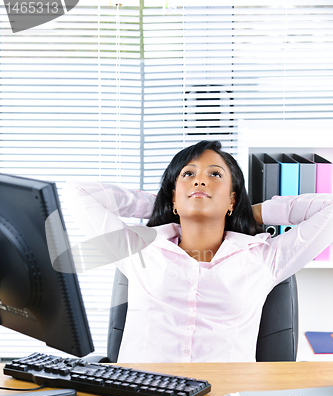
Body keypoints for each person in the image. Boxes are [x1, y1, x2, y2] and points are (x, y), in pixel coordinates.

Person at [65, 140, 333, 363]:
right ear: (173, 195)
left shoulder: (264, 258)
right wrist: (163, 205)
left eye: (215, 174)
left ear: (232, 199)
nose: (199, 182)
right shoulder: (140, 250)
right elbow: (77, 193)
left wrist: (257, 211)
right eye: (188, 175)